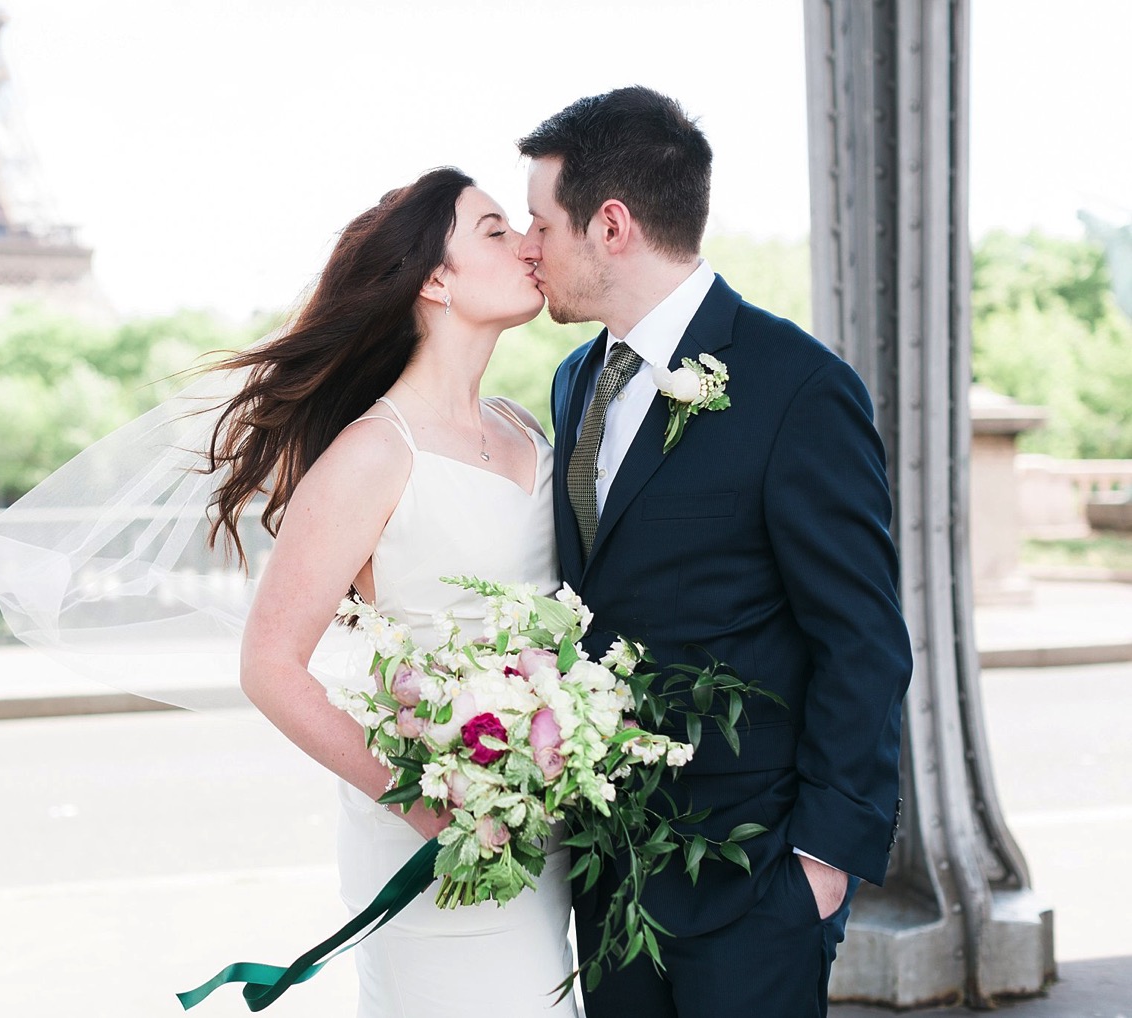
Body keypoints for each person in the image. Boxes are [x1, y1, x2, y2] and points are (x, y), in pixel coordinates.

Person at [517, 87, 912, 1017]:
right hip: (608, 878)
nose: (527, 246)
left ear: (609, 225)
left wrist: (818, 868)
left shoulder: (799, 386)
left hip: (754, 880)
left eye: (539, 222)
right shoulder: (576, 381)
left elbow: (864, 640)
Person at [206, 167, 580, 1017]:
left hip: (542, 826)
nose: (528, 242)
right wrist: (424, 801)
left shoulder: (523, 426)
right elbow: (269, 664)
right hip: (431, 833)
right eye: (494, 230)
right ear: (436, 279)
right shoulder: (375, 453)